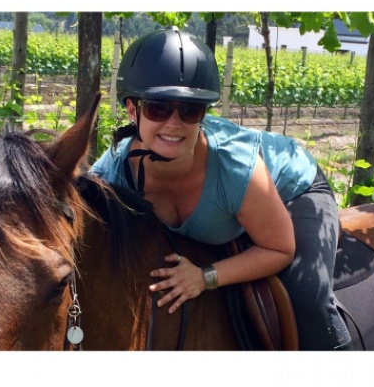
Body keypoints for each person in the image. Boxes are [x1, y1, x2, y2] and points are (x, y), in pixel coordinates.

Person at [89, 27, 351, 350]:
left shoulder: (235, 165)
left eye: (189, 110)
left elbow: (280, 249)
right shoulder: (111, 174)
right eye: (159, 107)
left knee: (309, 297)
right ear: (132, 110)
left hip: (292, 191)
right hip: (236, 204)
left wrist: (204, 277)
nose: (174, 123)